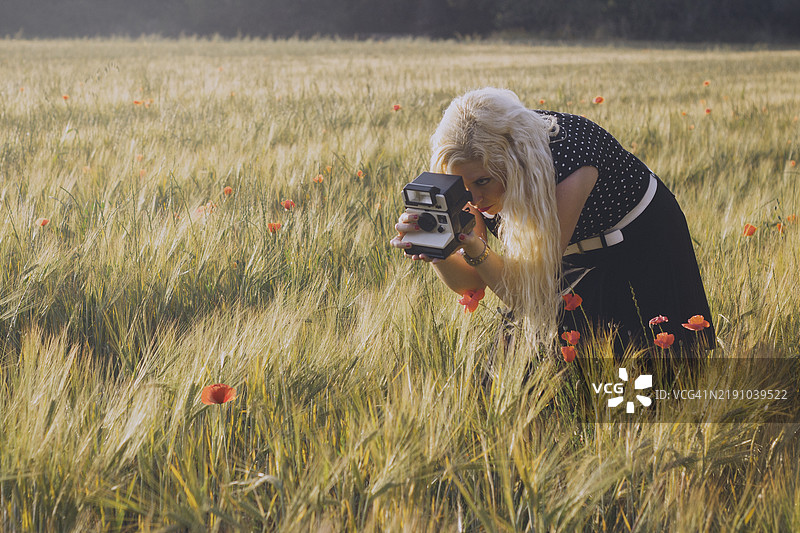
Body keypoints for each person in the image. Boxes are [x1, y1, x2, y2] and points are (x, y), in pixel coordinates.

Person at [390, 87, 715, 355]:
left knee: (669, 363)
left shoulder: (569, 169)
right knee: (534, 371)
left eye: (483, 183)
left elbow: (526, 293)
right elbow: (473, 281)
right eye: (462, 186)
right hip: (567, 247)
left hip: (641, 238)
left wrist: (474, 248)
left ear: (513, 164)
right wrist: (438, 249)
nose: (471, 198)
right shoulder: (468, 173)